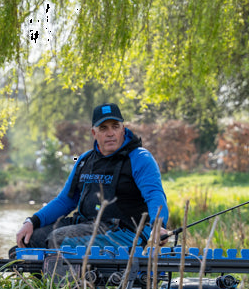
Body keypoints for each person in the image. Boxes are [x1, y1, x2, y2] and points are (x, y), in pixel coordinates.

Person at [14, 102, 169, 253]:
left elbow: (154, 195)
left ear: (123, 129)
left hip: (125, 232)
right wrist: (32, 221)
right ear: (94, 133)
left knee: (58, 239)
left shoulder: (140, 158)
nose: (110, 133)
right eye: (103, 128)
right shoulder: (84, 160)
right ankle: (46, 270)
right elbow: (65, 201)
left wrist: (158, 225)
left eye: (115, 126)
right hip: (87, 225)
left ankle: (64, 271)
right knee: (31, 239)